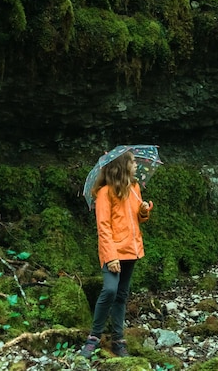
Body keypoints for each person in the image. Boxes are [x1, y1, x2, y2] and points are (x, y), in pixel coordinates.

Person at [80, 150, 153, 359]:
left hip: (131, 248)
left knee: (121, 294)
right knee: (110, 290)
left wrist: (144, 211)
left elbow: (136, 219)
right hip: (112, 251)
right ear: (122, 166)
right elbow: (103, 227)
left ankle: (118, 339)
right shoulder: (104, 193)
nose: (136, 165)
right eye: (132, 162)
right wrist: (111, 257)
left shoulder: (135, 188)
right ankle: (94, 337)